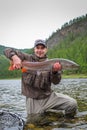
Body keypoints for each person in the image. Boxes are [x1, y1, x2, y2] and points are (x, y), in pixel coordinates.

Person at [4, 39, 78, 120]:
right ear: (34, 49)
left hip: (48, 97)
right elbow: (7, 50)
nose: (40, 50)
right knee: (34, 121)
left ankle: (68, 122)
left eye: (42, 48)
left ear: (46, 50)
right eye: (37, 48)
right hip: (33, 99)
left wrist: (55, 72)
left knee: (72, 104)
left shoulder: (54, 63)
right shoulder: (27, 58)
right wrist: (15, 58)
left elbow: (56, 82)